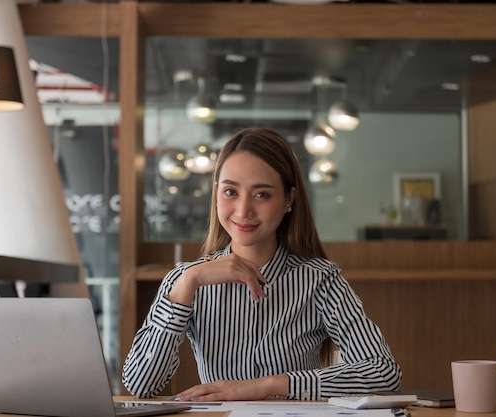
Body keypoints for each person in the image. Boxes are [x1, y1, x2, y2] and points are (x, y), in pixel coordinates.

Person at [122, 127, 402, 401]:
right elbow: (140, 385)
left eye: (261, 194)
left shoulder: (320, 280)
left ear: (289, 199)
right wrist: (187, 283)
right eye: (231, 192)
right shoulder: (185, 280)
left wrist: (271, 385)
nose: (243, 211)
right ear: (216, 192)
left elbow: (384, 373)